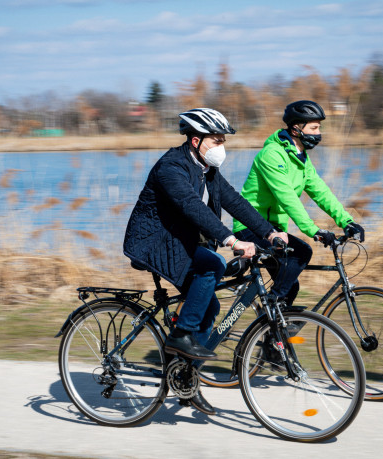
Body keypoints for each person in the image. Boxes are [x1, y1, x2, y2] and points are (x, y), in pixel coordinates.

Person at [123, 108, 287, 415]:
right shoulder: (171, 167)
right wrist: (232, 240)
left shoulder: (206, 170)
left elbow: (235, 201)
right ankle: (181, 335)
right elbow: (190, 207)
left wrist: (269, 232)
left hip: (178, 241)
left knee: (210, 306)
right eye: (217, 139)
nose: (222, 146)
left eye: (223, 139)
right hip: (154, 242)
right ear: (196, 140)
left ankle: (186, 379)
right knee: (212, 264)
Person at [233, 100, 365, 309]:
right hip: (251, 227)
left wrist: (347, 221)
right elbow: (287, 197)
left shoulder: (301, 158)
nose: (318, 133)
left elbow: (321, 192)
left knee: (291, 287)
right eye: (313, 128)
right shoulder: (272, 155)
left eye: (319, 127)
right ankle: (271, 306)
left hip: (274, 229)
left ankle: (271, 336)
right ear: (296, 129)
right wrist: (313, 230)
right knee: (302, 252)